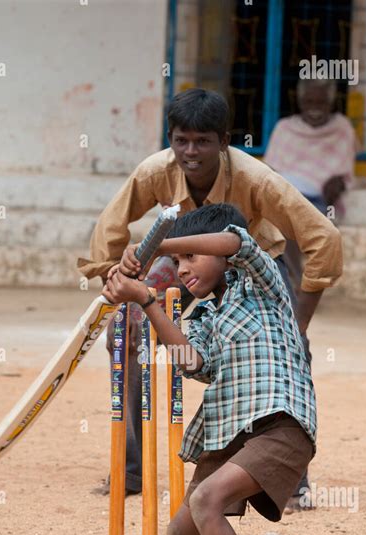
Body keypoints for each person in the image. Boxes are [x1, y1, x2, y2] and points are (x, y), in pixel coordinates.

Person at [80, 88, 341, 510]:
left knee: (292, 350)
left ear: (225, 142)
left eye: (203, 141)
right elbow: (109, 229)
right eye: (181, 140)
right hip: (185, 261)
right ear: (170, 139)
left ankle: (289, 479)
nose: (191, 152)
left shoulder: (256, 178)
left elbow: (322, 238)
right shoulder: (154, 171)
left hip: (254, 266)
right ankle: (131, 469)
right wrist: (115, 273)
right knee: (125, 330)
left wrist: (298, 325)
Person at [101, 203, 316, 535]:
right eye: (177, 264)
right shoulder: (201, 315)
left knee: (207, 500)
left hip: (280, 422)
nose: (182, 268)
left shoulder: (259, 282)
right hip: (231, 432)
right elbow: (193, 363)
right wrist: (144, 298)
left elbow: (233, 240)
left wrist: (159, 244)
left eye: (191, 257)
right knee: (182, 533)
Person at [264, 78, 357, 296]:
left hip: (320, 200)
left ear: (331, 103)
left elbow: (343, 173)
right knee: (281, 221)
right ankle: (299, 281)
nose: (314, 107)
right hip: (287, 196)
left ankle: (302, 285)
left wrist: (338, 183)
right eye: (309, 101)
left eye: (321, 102)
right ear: (300, 102)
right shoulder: (285, 128)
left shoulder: (342, 128)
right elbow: (270, 171)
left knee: (299, 221)